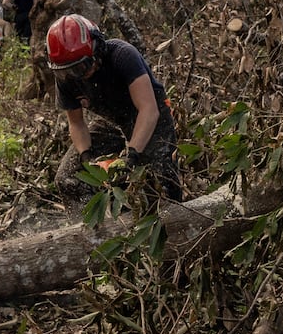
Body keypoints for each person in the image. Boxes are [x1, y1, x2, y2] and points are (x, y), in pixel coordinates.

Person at [47, 14, 182, 198]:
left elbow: (148, 109)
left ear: (96, 49)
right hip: (114, 121)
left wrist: (132, 155)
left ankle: (175, 221)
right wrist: (86, 157)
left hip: (150, 114)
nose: (75, 75)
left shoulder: (122, 55)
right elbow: (77, 123)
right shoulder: (67, 78)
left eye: (80, 67)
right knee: (68, 178)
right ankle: (89, 224)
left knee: (161, 182)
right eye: (67, 71)